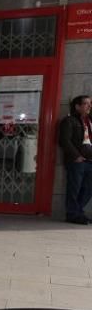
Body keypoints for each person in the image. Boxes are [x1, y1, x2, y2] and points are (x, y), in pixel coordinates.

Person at [58, 95, 92, 225]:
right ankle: (73, 214)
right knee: (75, 188)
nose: (89, 106)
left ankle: (78, 212)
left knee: (88, 188)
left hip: (90, 160)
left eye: (90, 103)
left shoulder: (90, 121)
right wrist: (76, 156)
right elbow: (64, 141)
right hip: (77, 161)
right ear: (77, 106)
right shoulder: (69, 121)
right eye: (86, 103)